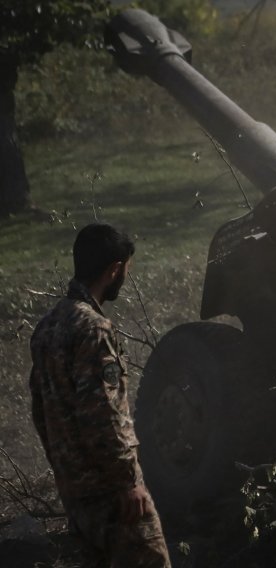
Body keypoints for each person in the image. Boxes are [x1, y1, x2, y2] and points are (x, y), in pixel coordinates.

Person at [29, 223, 171, 567]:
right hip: (114, 495)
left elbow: (40, 410)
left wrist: (66, 475)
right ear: (115, 269)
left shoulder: (48, 326)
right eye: (126, 269)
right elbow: (103, 413)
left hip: (75, 494)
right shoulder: (94, 328)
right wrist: (127, 482)